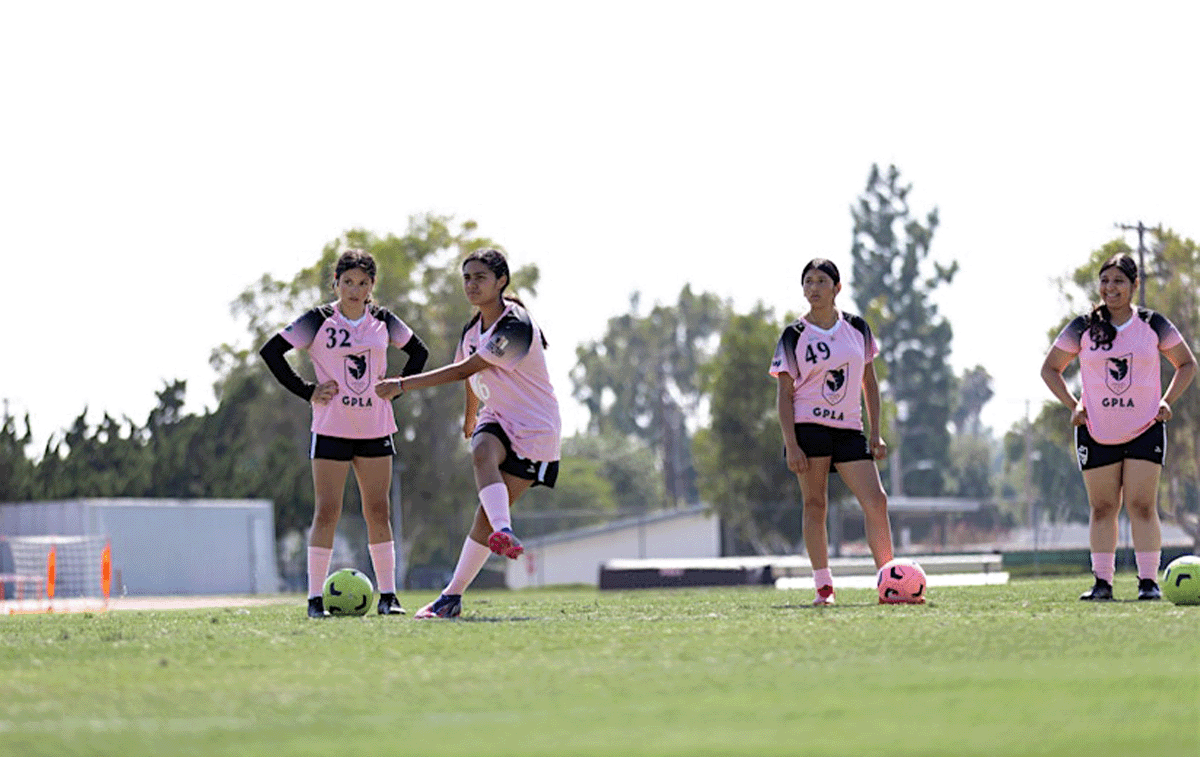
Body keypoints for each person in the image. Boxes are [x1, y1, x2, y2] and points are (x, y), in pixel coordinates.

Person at [376, 248, 560, 619]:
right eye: (466, 277)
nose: (471, 284)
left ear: (501, 282)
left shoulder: (515, 325)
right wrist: (470, 416)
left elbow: (464, 369)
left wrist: (402, 384)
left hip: (536, 431)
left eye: (480, 277)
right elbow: (473, 377)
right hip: (499, 418)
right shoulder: (473, 328)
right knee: (481, 451)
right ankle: (502, 532)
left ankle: (452, 594)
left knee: (483, 518)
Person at [259, 249, 429, 618]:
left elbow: (419, 352)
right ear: (335, 282)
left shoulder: (383, 320)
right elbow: (272, 351)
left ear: (372, 286)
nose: (354, 289)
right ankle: (314, 600)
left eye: (363, 283)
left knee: (378, 511)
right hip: (331, 429)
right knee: (327, 512)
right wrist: (307, 390)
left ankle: (389, 597)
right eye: (347, 282)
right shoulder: (319, 319)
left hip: (375, 429)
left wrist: (398, 385)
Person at [1041, 253, 1195, 601]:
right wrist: (1074, 404)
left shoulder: (1153, 324)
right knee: (1103, 508)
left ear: (1134, 285)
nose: (1111, 288)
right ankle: (1102, 583)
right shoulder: (1082, 326)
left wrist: (1166, 400)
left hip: (1145, 428)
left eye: (1119, 281)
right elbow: (1050, 368)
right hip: (1096, 430)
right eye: (1105, 281)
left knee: (1142, 505)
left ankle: (1148, 583)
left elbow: (1186, 363)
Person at [770, 258, 894, 606]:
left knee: (877, 500)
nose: (813, 288)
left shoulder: (857, 328)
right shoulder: (793, 335)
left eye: (821, 281)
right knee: (815, 504)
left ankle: (890, 580)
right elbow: (784, 393)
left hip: (849, 429)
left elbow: (869, 382)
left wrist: (876, 432)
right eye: (807, 282)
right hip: (809, 427)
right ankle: (824, 588)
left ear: (837, 288)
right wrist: (791, 444)